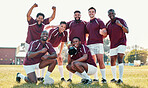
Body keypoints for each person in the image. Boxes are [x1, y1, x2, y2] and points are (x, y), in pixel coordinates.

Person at [25, 3, 56, 81]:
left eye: (41, 18)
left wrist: (54, 10)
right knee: (31, 60)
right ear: (36, 18)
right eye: (39, 18)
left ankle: (41, 77)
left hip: (38, 44)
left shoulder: (43, 23)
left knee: (41, 59)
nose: (40, 20)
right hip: (29, 44)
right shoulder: (32, 22)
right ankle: (32, 76)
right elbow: (28, 15)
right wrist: (33, 7)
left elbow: (52, 17)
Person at [106, 9, 129, 84]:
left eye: (112, 13)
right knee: (112, 61)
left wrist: (120, 25)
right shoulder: (108, 24)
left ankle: (120, 79)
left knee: (120, 59)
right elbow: (105, 34)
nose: (111, 14)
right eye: (109, 13)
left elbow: (127, 31)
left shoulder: (121, 20)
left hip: (121, 43)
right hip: (113, 44)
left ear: (115, 13)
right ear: (108, 15)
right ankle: (114, 78)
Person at [86, 7, 107, 83]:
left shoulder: (99, 21)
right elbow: (86, 34)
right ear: (88, 13)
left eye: (92, 12)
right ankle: (95, 78)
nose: (91, 13)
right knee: (92, 62)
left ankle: (104, 78)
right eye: (90, 12)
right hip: (89, 45)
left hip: (98, 43)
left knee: (100, 61)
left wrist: (103, 32)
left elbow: (105, 31)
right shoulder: (87, 24)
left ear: (95, 13)